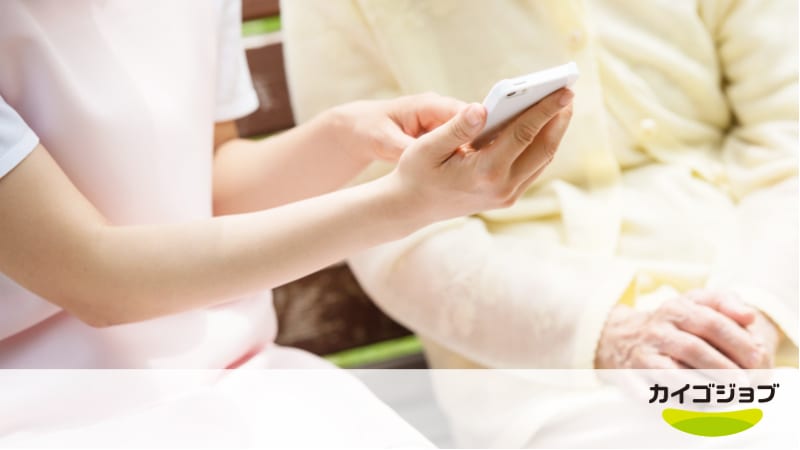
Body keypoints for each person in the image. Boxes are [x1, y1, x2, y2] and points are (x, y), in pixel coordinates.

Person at [0, 0, 573, 446]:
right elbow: (97, 281)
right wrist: (402, 204)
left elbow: (212, 187)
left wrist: (345, 137)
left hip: (242, 379)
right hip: (46, 417)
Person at [282, 0, 798, 446]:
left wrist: (756, 312)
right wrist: (607, 334)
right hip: (542, 368)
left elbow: (787, 132)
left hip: (764, 290)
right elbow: (386, 224)